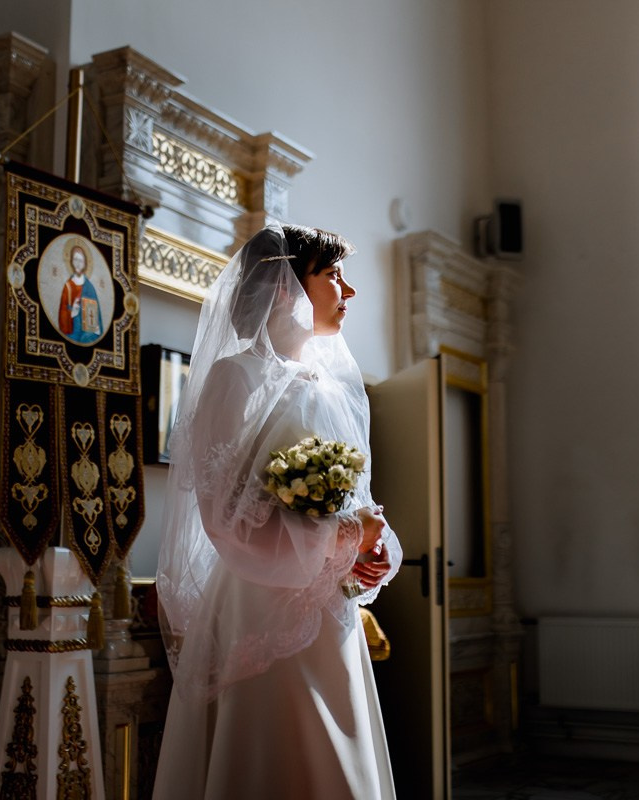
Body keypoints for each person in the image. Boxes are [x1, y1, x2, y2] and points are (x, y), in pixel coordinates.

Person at [153, 223, 402, 799]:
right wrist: (344, 533)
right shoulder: (232, 377)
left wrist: (371, 546)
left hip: (328, 612)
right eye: (333, 274)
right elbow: (223, 519)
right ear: (287, 287)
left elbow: (360, 504)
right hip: (258, 606)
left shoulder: (331, 387)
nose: (350, 290)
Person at [57, 241, 102, 344]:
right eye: (75, 259)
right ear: (71, 261)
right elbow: (62, 313)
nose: (78, 264)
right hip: (72, 330)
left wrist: (96, 327)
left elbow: (97, 314)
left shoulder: (90, 287)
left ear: (85, 263)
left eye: (81, 261)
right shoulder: (68, 287)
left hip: (87, 333)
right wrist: (71, 313)